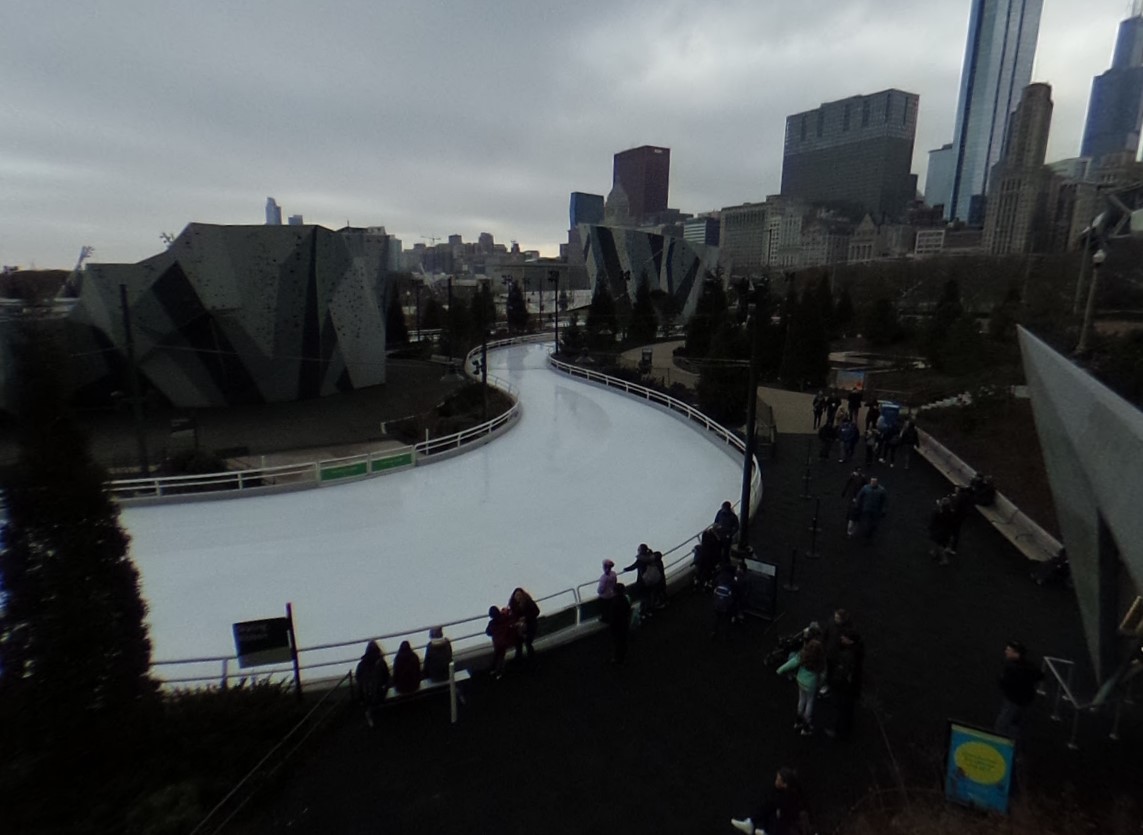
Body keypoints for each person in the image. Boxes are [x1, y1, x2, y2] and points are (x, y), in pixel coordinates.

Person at [730, 766, 810, 835]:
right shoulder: (779, 795)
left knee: (778, 813)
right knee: (770, 805)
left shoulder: (791, 801)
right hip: (782, 826)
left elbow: (786, 824)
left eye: (778, 779)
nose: (776, 781)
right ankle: (752, 823)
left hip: (791, 830)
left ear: (784, 785)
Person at [776, 638, 826, 735]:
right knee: (809, 703)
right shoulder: (821, 661)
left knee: (801, 700)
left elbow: (790, 664)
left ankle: (798, 720)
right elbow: (823, 675)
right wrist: (820, 685)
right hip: (811, 685)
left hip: (800, 681)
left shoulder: (802, 655)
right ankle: (806, 727)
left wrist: (780, 670)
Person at [995, 640, 1043, 739]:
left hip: (1013, 701)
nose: (1006, 651)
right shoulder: (1029, 666)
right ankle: (1014, 744)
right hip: (1025, 702)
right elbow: (1040, 675)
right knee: (1016, 725)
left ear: (1016, 653)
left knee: (1002, 725)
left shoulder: (1012, 668)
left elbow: (1003, 683)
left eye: (1009, 650)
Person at [826, 630, 864, 741]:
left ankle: (838, 732)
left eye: (844, 638)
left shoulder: (848, 656)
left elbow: (841, 674)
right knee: (848, 709)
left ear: (850, 641)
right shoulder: (857, 651)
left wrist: (832, 682)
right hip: (852, 687)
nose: (842, 638)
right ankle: (848, 728)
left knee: (841, 709)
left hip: (845, 688)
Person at [355, 640, 390, 728]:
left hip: (365, 694)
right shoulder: (381, 663)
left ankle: (370, 716)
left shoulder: (361, 664)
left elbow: (358, 678)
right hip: (379, 693)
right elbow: (386, 677)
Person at [507, 587, 541, 662]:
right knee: (518, 645)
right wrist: (516, 623)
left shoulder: (529, 603)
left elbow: (536, 612)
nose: (518, 597)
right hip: (518, 629)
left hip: (530, 626)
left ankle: (531, 660)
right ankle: (519, 662)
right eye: (516, 595)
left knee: (528, 643)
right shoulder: (513, 605)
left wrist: (526, 618)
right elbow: (512, 617)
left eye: (519, 595)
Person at [485, 605, 515, 680]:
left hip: (497, 642)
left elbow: (488, 632)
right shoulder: (505, 618)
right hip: (505, 640)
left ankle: (495, 670)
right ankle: (498, 672)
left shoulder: (492, 623)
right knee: (501, 657)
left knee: (497, 656)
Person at [854, 477, 887, 541]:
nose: (873, 484)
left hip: (876, 509)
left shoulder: (881, 490)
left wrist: (884, 509)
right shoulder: (865, 488)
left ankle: (870, 533)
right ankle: (867, 535)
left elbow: (884, 501)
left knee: (873, 523)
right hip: (866, 508)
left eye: (874, 482)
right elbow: (859, 496)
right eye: (872, 482)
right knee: (867, 522)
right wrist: (857, 505)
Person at [928, 497, 957, 564]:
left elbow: (933, 521)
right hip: (946, 532)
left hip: (938, 531)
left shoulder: (938, 512)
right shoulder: (951, 512)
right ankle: (934, 552)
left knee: (940, 545)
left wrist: (931, 528)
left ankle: (944, 560)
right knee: (938, 543)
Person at [609, 583, 632, 664]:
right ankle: (624, 657)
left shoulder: (614, 602)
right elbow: (628, 611)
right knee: (623, 641)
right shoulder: (625, 600)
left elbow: (613, 616)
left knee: (617, 642)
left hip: (617, 626)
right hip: (624, 624)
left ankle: (617, 658)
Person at [597, 559, 618, 623]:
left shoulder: (604, 577)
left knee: (605, 608)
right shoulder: (614, 574)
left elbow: (601, 589)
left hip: (605, 596)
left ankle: (605, 619)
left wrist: (599, 592)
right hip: (612, 594)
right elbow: (615, 583)